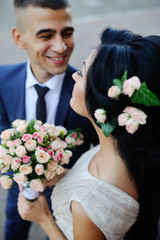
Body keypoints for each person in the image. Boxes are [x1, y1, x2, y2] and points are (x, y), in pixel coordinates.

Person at [18, 26, 160, 239]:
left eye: (82, 73)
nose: (74, 75)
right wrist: (59, 175)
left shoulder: (92, 203)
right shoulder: (120, 148)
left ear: (104, 99)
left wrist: (44, 219)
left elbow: (96, 198)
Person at [0, 0, 98, 240]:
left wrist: (66, 174)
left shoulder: (86, 92)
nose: (61, 46)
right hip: (18, 189)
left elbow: (104, 153)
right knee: (13, 229)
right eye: (46, 35)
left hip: (67, 202)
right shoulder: (2, 79)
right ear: (19, 38)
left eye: (67, 33)